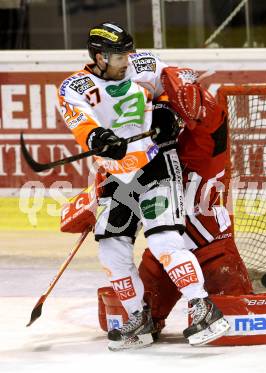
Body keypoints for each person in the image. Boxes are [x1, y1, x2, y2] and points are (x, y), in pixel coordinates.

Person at [57, 22, 229, 350]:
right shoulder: (74, 87)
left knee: (165, 241)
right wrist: (99, 139)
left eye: (127, 53)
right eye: (118, 56)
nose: (127, 60)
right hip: (114, 177)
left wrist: (166, 108)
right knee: (110, 249)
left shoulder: (143, 62)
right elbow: (82, 124)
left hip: (156, 165)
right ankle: (140, 318)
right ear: (99, 57)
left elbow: (176, 80)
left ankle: (203, 308)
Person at [138, 66, 254, 335]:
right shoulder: (142, 149)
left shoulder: (204, 140)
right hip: (164, 251)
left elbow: (205, 111)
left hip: (212, 247)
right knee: (129, 321)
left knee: (239, 320)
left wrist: (178, 92)